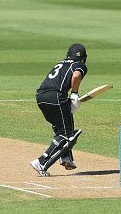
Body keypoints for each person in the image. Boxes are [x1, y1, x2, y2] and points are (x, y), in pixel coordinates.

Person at [30, 43, 87, 176]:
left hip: (41, 97)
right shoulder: (80, 65)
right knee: (68, 135)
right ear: (83, 58)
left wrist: (69, 103)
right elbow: (76, 76)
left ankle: (66, 159)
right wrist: (74, 94)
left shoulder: (61, 63)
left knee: (60, 129)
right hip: (56, 97)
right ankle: (41, 161)